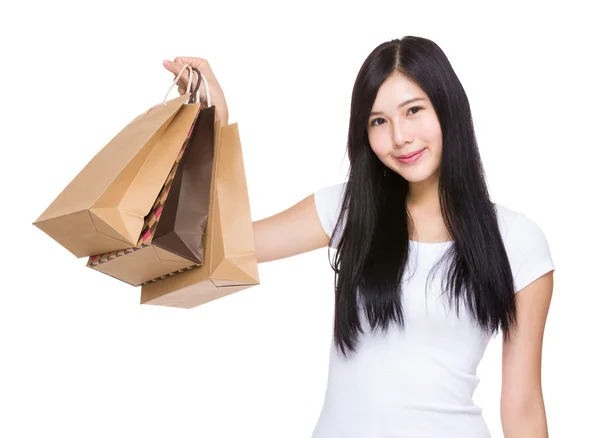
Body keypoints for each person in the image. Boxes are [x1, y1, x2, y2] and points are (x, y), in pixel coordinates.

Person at [162, 36, 554, 438]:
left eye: (414, 110)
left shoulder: (517, 241)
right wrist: (213, 125)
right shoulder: (349, 211)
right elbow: (213, 245)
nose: (399, 136)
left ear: (448, 109)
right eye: (379, 121)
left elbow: (522, 406)